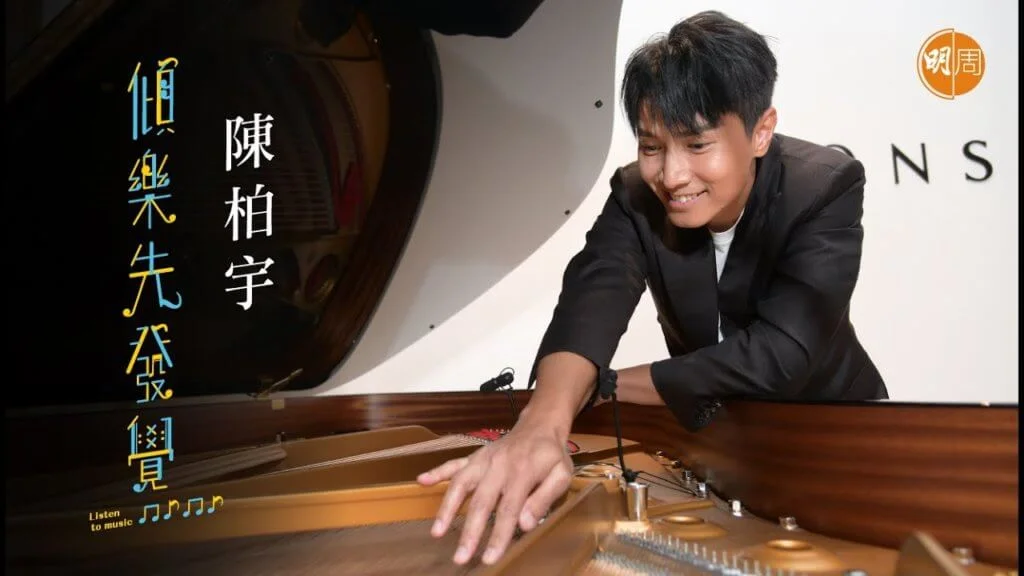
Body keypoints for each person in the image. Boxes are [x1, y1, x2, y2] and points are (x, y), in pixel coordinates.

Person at [417, 9, 888, 566]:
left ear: (761, 131)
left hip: (841, 439)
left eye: (697, 145)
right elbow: (593, 296)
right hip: (723, 445)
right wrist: (541, 423)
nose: (671, 175)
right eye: (651, 146)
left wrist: (612, 385)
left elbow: (781, 353)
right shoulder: (636, 195)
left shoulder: (824, 186)